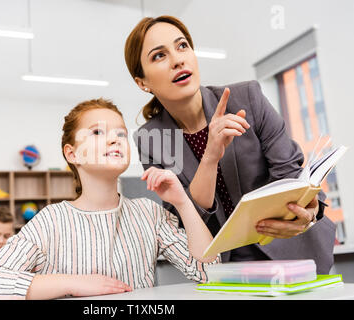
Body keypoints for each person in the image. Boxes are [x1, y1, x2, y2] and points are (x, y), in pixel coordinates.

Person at [125, 15, 336, 274]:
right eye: (159, 55)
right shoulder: (150, 139)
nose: (178, 59)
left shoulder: (247, 97)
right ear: (142, 82)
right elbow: (186, 219)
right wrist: (210, 155)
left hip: (293, 252)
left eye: (182, 46)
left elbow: (292, 175)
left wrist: (309, 212)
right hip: (228, 269)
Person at [0, 98, 220, 300]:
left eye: (121, 134)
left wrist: (183, 203)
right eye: (97, 132)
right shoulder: (51, 221)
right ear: (72, 154)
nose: (115, 139)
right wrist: (74, 282)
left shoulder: (148, 213)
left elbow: (210, 273)